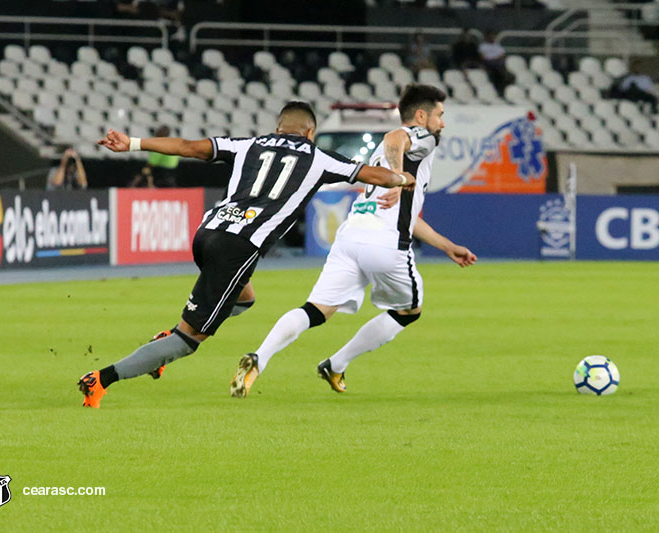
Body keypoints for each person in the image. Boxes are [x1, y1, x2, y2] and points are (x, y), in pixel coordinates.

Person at [78, 101, 416, 407]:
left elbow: (186, 147)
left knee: (244, 299)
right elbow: (376, 175)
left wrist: (132, 143)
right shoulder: (318, 157)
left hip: (207, 233)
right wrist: (404, 179)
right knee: (189, 339)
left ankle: (164, 342)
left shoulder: (247, 145)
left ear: (278, 126)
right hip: (237, 248)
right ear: (311, 132)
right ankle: (102, 379)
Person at [231, 85, 477, 398]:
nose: (442, 123)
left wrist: (446, 245)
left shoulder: (386, 156)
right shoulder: (420, 136)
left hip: (351, 236)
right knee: (408, 312)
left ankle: (259, 358)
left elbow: (406, 213)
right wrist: (400, 178)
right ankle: (337, 363)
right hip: (386, 244)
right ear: (420, 116)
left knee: (316, 310)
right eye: (440, 115)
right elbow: (394, 137)